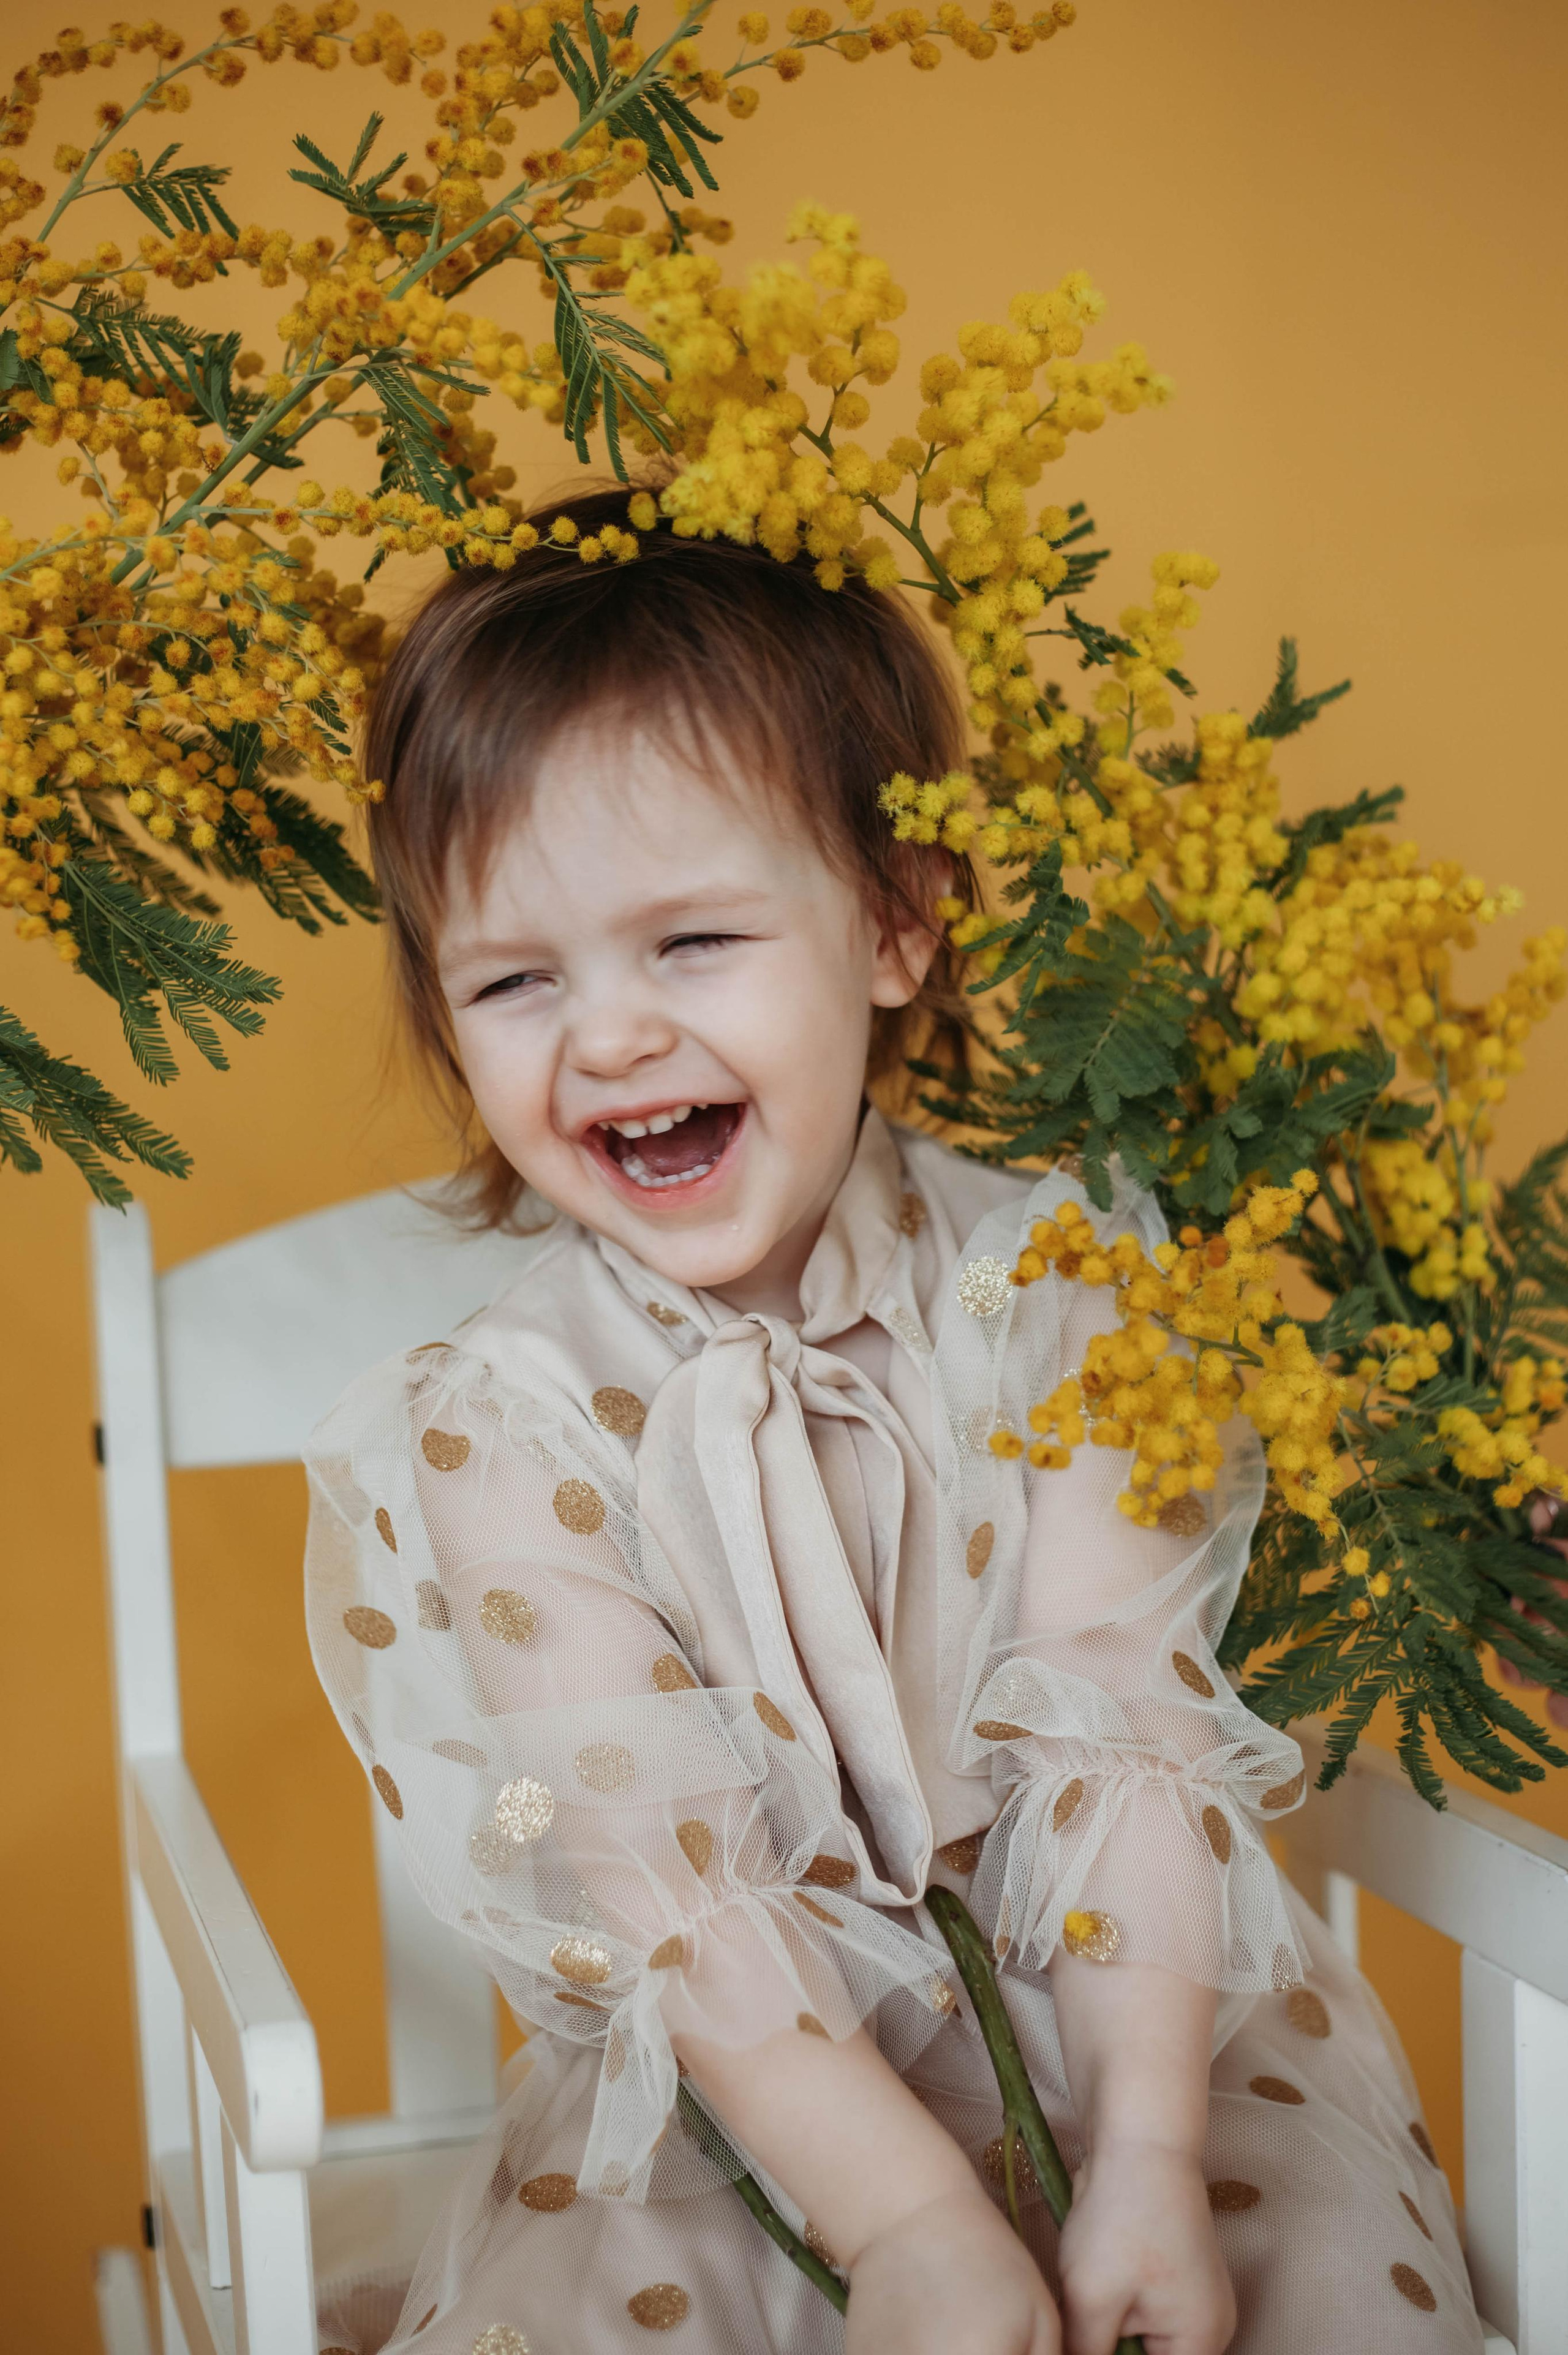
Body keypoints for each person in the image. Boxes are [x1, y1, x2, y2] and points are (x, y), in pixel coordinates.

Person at [302, 487, 1483, 2355]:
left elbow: (1130, 1726)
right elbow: (666, 1884)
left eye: (690, 942)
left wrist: (1152, 2158)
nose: (604, 1038)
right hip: (745, 2075)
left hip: (1137, 2024)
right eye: (517, 981)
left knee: (1318, 2277)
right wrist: (918, 2218)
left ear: (894, 924)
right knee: (628, 2309)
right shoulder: (501, 1424)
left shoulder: (1065, 1294)